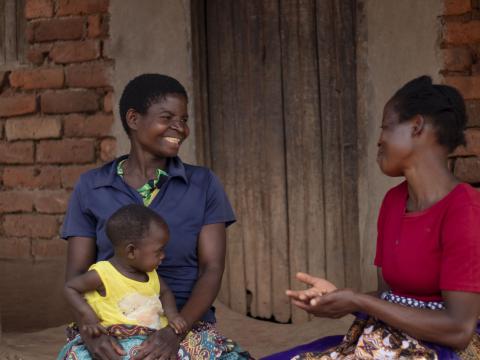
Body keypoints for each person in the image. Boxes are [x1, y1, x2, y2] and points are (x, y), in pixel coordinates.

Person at [264, 76, 480, 359]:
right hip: (388, 340)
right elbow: (390, 299)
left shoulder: (465, 209)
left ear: (416, 126)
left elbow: (458, 330)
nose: (379, 140)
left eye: (386, 127)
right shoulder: (393, 202)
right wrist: (341, 299)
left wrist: (357, 300)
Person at [61, 74, 251, 360]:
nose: (180, 127)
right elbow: (76, 275)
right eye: (168, 117)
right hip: (108, 328)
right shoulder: (92, 186)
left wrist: (175, 332)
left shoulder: (202, 184)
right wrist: (92, 334)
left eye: (184, 119)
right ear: (134, 119)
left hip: (185, 326)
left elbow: (211, 269)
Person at [58, 205, 187, 359]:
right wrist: (88, 316)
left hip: (150, 342)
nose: (163, 256)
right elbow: (70, 288)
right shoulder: (104, 274)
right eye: (158, 251)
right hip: (114, 343)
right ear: (131, 251)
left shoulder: (151, 275)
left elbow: (165, 293)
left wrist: (173, 315)